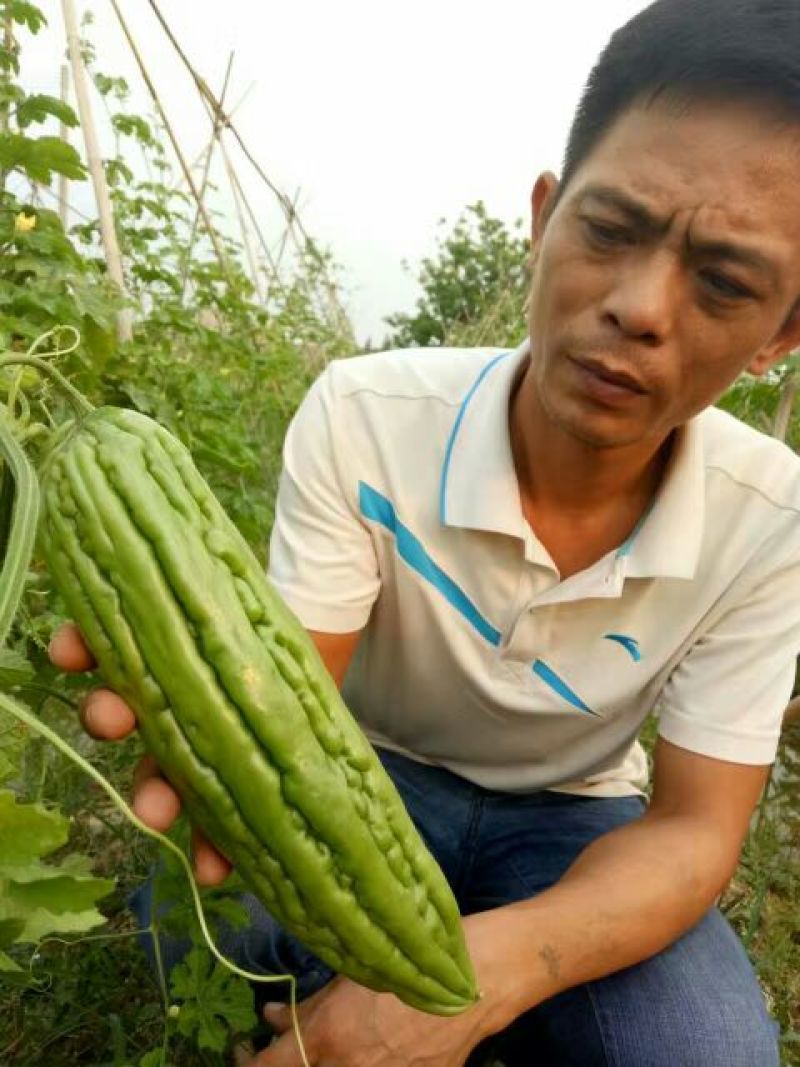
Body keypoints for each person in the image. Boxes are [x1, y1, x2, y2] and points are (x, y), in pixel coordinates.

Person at [50, 0, 800, 1063]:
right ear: (541, 218)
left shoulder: (771, 517)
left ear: (781, 331)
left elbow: (689, 830)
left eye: (722, 281)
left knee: (702, 1049)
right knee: (204, 922)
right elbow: (274, 712)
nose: (639, 307)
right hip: (373, 764)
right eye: (608, 229)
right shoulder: (363, 413)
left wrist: (471, 988)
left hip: (573, 820)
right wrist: (185, 684)